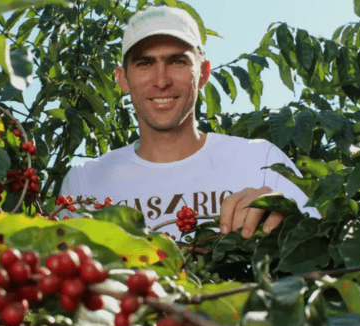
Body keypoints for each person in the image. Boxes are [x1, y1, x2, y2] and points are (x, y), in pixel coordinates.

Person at [59, 5, 319, 241]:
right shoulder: (85, 182)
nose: (161, 81)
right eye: (144, 63)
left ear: (203, 73)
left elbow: (322, 253)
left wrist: (289, 216)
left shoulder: (260, 161)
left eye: (177, 61)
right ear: (122, 79)